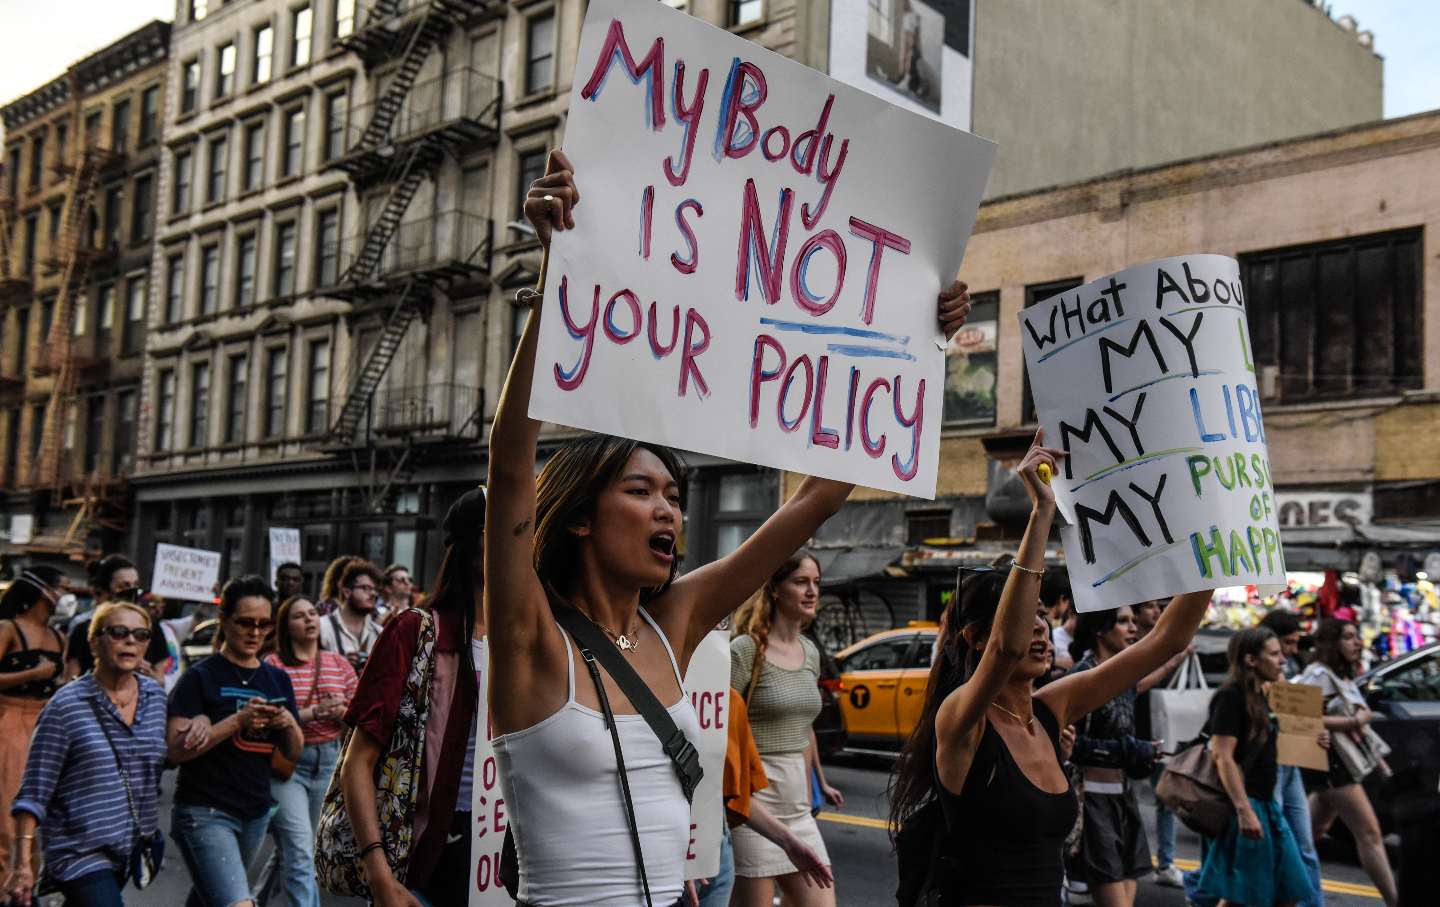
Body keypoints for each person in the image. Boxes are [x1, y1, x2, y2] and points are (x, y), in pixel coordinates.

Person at [487, 148, 972, 907]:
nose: (670, 511)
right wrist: (558, 280)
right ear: (580, 518)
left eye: (675, 495)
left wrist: (917, 339)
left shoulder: (671, 625)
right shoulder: (531, 638)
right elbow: (511, 463)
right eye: (642, 490)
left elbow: (814, 500)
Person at [890, 429, 1213, 907]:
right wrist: (1042, 511)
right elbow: (1005, 647)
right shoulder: (962, 719)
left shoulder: (1049, 710)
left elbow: (1168, 639)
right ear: (975, 638)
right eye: (1028, 617)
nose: (1039, 628)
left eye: (1045, 615)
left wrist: (1215, 540)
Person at [339, 485, 486, 906]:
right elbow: (358, 763)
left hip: (504, 848)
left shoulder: (533, 639)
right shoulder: (415, 630)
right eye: (513, 530)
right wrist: (378, 872)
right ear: (473, 544)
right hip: (435, 850)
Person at [4, 600, 172, 905]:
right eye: (119, 632)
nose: (130, 640)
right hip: (78, 851)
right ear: (95, 643)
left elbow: (163, 760)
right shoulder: (66, 706)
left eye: (141, 634)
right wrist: (22, 864)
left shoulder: (156, 699)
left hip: (129, 848)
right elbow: (34, 792)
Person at [167, 575, 303, 907]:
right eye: (245, 623)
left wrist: (287, 724)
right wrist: (235, 722)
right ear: (224, 620)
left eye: (264, 625)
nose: (255, 633)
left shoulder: (277, 678)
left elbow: (293, 752)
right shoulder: (201, 677)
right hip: (204, 811)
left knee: (209, 897)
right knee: (236, 902)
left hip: (255, 812)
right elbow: (174, 752)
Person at [729, 554, 841, 907]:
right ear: (776, 588)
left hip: (798, 806)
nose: (812, 592)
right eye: (800, 582)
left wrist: (819, 783)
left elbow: (805, 727)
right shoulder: (746, 651)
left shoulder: (810, 652)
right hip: (754, 804)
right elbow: (720, 728)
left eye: (817, 583)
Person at [1196, 627, 1324, 907]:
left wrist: (1315, 739)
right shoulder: (1231, 697)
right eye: (1275, 654)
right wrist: (1245, 811)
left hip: (1267, 806)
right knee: (1241, 898)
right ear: (1251, 660)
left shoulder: (1263, 695)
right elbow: (1223, 756)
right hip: (1249, 805)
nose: (1282, 661)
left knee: (1288, 890)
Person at [1065, 606, 1165, 907]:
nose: (1133, 628)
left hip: (1125, 798)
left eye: (1134, 621)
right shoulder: (1081, 676)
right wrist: (1130, 749)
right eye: (1123, 622)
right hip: (1092, 801)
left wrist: (1142, 753)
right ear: (1100, 628)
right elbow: (1068, 744)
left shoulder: (1125, 676)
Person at [698, 687, 834, 907]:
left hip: (719, 843)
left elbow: (733, 795)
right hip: (673, 850)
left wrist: (789, 841)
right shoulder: (737, 663)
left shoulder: (728, 699)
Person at [263, 596, 358, 907]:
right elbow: (268, 717)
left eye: (313, 614)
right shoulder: (274, 666)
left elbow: (360, 718)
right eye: (299, 616)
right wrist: (313, 712)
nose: (309, 620)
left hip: (330, 761)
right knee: (300, 847)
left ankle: (250, 899)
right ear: (285, 627)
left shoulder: (339, 664)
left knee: (301, 845)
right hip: (289, 763)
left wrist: (340, 710)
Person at [1299, 619, 1399, 907]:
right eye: (1349, 637)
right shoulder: (1318, 674)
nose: (1357, 643)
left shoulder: (1340, 675)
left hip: (1338, 764)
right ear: (1333, 642)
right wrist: (1352, 721)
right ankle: (1395, 901)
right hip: (1332, 764)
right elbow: (1303, 718)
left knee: (1305, 836)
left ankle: (1275, 885)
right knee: (1369, 833)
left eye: (1357, 637)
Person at [0, 568, 66, 877]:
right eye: (60, 588)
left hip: (45, 724)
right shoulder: (9, 628)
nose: (64, 595)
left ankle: (29, 881)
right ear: (43, 592)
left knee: (42, 813)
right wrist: (32, 674)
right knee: (8, 812)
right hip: (9, 723)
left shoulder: (59, 637)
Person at [1259, 609, 1324, 907]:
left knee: (1304, 845)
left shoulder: (1289, 669)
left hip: (1289, 765)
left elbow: (1298, 721)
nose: (1291, 652)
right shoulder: (1248, 685)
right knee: (1276, 845)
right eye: (1286, 644)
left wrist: (1316, 734)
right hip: (1270, 767)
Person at [1131, 597, 1187, 890]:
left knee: (1165, 799)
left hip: (1159, 733)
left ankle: (1165, 862)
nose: (1158, 612)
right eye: (1151, 607)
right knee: (1126, 799)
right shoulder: (1130, 644)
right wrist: (1173, 662)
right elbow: (1134, 685)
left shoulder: (1163, 642)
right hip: (1131, 733)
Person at [64, 555, 140, 680]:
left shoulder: (148, 626)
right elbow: (71, 674)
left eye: (135, 585)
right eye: (123, 586)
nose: (131, 591)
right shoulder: (84, 628)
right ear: (105, 589)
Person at [318, 561, 384, 671]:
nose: (372, 594)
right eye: (365, 588)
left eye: (374, 590)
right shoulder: (322, 626)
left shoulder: (379, 632)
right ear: (347, 592)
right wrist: (340, 664)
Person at [138, 592, 202, 694]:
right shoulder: (133, 635)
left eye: (161, 606)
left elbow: (198, 618)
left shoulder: (168, 628)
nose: (157, 610)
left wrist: (209, 597)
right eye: (152, 605)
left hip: (170, 696)